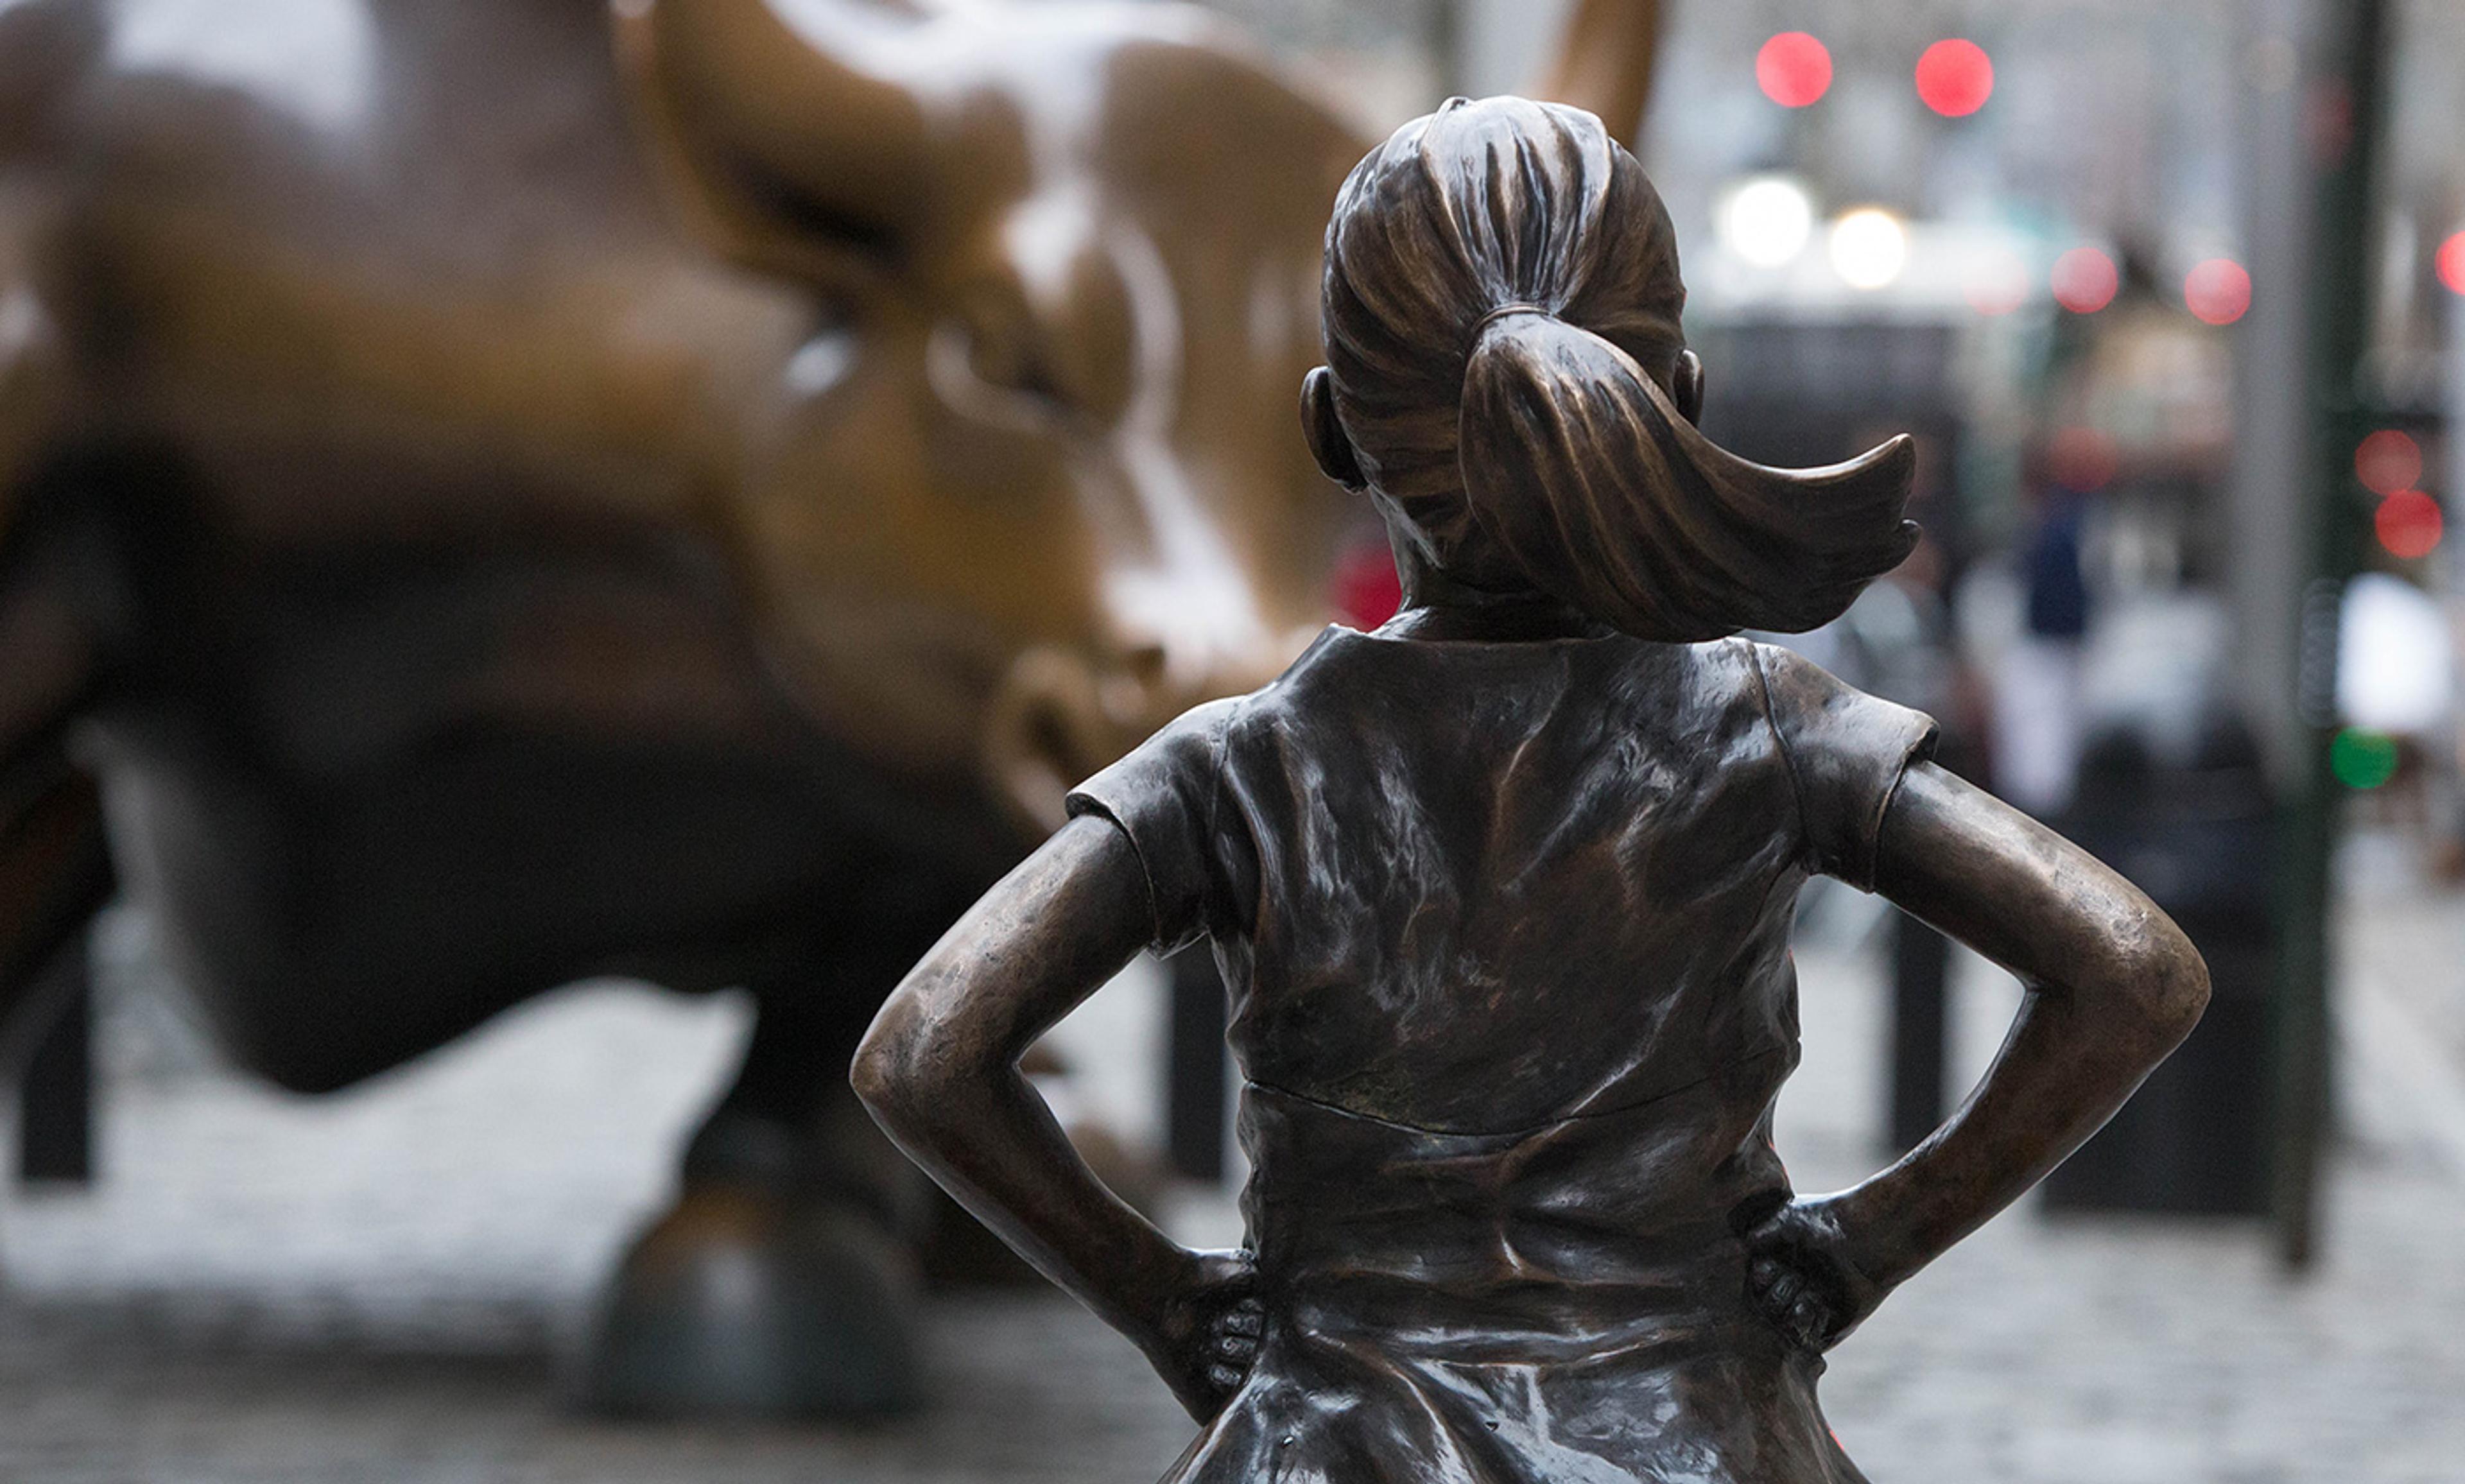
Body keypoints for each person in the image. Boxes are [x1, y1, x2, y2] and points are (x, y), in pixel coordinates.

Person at [853, 97, 2208, 1483]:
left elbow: (926, 1054)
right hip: (1699, 1441)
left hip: (1328, 1444)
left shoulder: (1235, 768)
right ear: (1674, 397)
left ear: (1332, 430)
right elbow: (2132, 969)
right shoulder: (1774, 730)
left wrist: (1161, 1298)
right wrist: (1870, 1241)